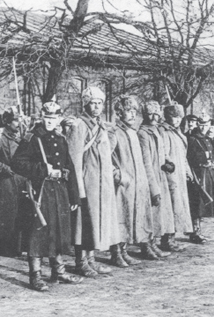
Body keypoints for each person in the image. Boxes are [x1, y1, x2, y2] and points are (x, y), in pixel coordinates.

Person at [12, 99, 83, 291]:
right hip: (40, 191)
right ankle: (35, 275)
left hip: (59, 191)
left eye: (53, 118)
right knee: (38, 232)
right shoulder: (32, 138)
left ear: (59, 119)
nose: (50, 121)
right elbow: (17, 163)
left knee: (58, 230)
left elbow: (70, 168)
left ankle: (58, 271)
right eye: (46, 117)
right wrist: (43, 169)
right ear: (41, 117)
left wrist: (74, 196)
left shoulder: (61, 139)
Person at [66, 87, 119, 277]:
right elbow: (74, 159)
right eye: (92, 103)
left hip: (102, 183)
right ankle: (81, 262)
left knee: (95, 223)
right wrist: (78, 188)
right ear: (85, 104)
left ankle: (92, 259)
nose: (96, 107)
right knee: (83, 224)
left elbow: (107, 153)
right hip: (87, 182)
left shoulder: (102, 126)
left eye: (99, 103)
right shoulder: (79, 125)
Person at [109, 96, 160, 265]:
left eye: (134, 111)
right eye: (127, 111)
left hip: (138, 184)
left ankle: (124, 251)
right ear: (119, 113)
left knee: (131, 217)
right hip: (121, 185)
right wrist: (119, 176)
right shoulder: (114, 132)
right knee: (119, 218)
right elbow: (105, 159)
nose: (132, 115)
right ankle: (116, 253)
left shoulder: (133, 132)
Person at [138, 101, 179, 253]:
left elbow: (163, 152)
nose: (154, 117)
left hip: (161, 176)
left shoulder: (156, 131)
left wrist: (169, 162)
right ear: (144, 114)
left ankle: (153, 244)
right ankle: (146, 245)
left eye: (157, 114)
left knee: (159, 214)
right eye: (150, 113)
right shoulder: (143, 133)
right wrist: (153, 187)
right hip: (151, 178)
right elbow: (146, 162)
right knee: (149, 213)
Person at [0, 106, 27, 256]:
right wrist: (2, 167)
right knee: (6, 214)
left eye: (20, 120)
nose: (18, 123)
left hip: (20, 179)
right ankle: (4, 247)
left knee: (20, 213)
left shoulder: (21, 138)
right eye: (15, 121)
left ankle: (18, 246)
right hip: (5, 179)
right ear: (7, 122)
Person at [158, 103, 193, 247]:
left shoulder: (178, 133)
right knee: (170, 206)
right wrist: (170, 167)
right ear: (167, 117)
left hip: (179, 176)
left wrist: (187, 171)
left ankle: (172, 237)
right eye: (174, 117)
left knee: (179, 206)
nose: (177, 120)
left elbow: (183, 156)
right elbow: (164, 154)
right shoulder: (163, 132)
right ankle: (167, 239)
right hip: (169, 175)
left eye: (179, 117)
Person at [187, 113, 214, 242]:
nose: (203, 127)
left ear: (210, 125)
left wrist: (212, 162)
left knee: (203, 202)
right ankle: (195, 232)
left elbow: (211, 154)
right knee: (196, 202)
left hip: (207, 173)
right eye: (201, 124)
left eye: (206, 124)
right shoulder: (193, 139)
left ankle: (199, 230)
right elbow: (190, 158)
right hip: (197, 174)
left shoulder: (207, 139)